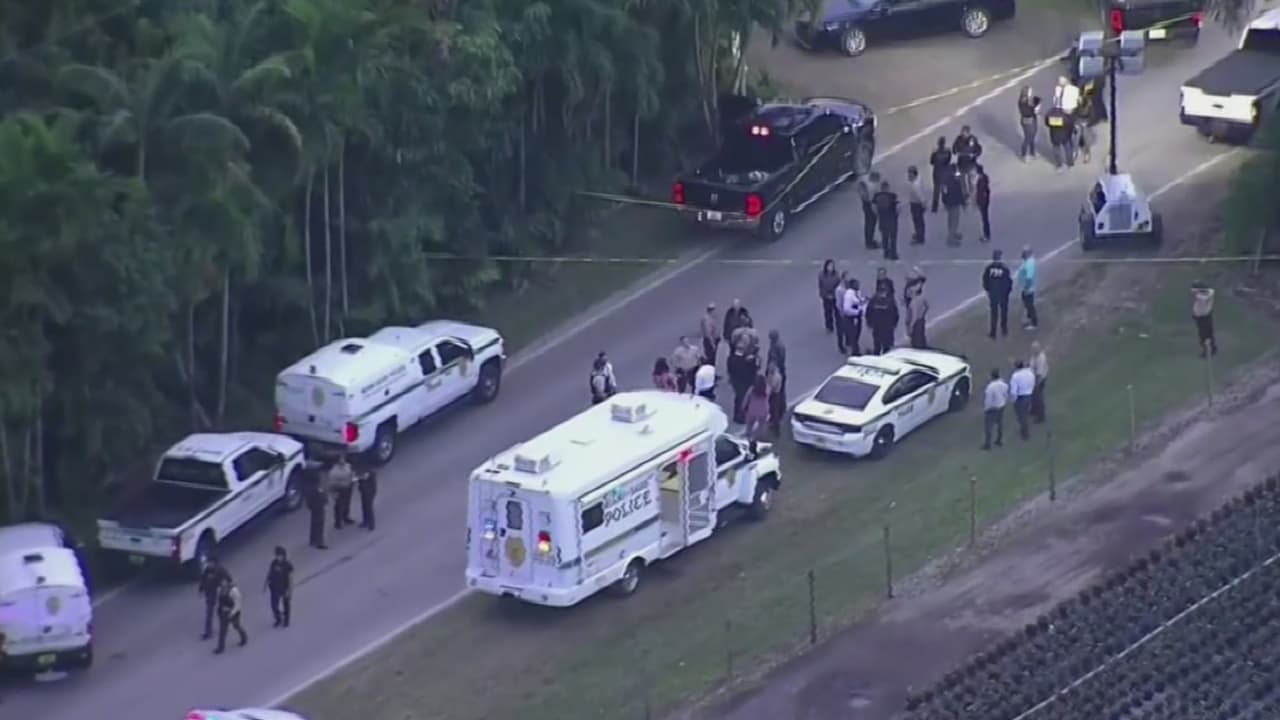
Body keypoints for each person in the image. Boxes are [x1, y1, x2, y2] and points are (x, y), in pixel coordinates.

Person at [982, 249, 1013, 339]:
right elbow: (1008, 281)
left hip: (993, 294)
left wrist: (988, 290)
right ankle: (1004, 330)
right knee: (1004, 312)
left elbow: (985, 280)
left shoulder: (989, 268)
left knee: (994, 313)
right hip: (1003, 294)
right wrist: (1008, 291)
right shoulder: (1004, 268)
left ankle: (993, 332)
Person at [213, 575, 248, 654]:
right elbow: (220, 602)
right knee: (222, 630)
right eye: (221, 582)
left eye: (224, 581)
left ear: (227, 581)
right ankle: (220, 648)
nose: (222, 583)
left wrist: (231, 613)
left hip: (234, 612)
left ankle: (244, 638)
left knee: (236, 626)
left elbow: (238, 604)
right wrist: (219, 611)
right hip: (223, 613)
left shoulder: (234, 590)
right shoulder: (219, 589)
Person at [198, 557, 230, 640]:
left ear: (214, 563)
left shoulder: (220, 570)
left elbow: (228, 579)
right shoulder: (207, 570)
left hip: (220, 593)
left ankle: (224, 627)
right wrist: (201, 590)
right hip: (210, 593)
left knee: (221, 612)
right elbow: (203, 580)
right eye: (208, 562)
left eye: (210, 563)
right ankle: (208, 632)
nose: (209, 564)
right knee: (209, 613)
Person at [726, 344, 759, 425]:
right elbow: (749, 371)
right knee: (742, 399)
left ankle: (737, 415)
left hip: (735, 381)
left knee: (738, 398)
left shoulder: (731, 358)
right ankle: (740, 416)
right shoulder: (743, 360)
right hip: (743, 382)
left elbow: (730, 369)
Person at [264, 546, 293, 628]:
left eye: (280, 555)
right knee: (274, 606)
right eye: (277, 555)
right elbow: (270, 573)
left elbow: (290, 579)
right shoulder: (274, 563)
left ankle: (286, 620)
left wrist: (289, 591)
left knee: (286, 605)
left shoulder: (287, 565)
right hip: (274, 588)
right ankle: (278, 619)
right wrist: (266, 583)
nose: (278, 557)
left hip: (284, 588)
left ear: (283, 555)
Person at [864, 287, 899, 355]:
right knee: (886, 346)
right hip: (887, 327)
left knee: (877, 344)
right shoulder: (890, 301)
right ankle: (885, 356)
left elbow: (868, 312)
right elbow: (895, 313)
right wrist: (894, 323)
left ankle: (877, 355)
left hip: (877, 326)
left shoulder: (873, 300)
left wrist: (869, 323)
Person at [981, 368, 1009, 450]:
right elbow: (1006, 395)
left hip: (992, 409)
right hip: (1001, 406)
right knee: (1000, 424)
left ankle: (987, 444)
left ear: (991, 376)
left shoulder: (990, 387)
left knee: (988, 427)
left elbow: (988, 400)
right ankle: (999, 440)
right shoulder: (1004, 384)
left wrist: (986, 408)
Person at [951, 126, 983, 199]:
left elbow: (979, 149)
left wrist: (975, 154)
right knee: (962, 181)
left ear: (968, 132)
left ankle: (973, 195)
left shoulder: (973, 139)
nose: (963, 133)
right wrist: (956, 152)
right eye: (963, 132)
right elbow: (954, 149)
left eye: (965, 132)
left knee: (971, 181)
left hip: (971, 163)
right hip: (961, 163)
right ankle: (965, 195)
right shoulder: (959, 139)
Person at [872, 180, 900, 261]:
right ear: (887, 188)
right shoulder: (893, 195)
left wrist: (878, 214)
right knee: (893, 237)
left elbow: (873, 207)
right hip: (892, 219)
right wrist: (897, 215)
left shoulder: (876, 196)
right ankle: (893, 254)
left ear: (881, 188)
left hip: (882, 219)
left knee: (884, 237)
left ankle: (886, 252)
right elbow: (898, 208)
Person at [1009, 360, 1036, 441]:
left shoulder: (1015, 376)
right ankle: (1025, 430)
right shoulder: (1030, 373)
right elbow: (1033, 383)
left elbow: (1013, 391)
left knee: (1022, 416)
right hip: (1029, 395)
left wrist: (1013, 400)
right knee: (1026, 414)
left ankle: (1025, 434)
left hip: (1020, 398)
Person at [839, 276, 866, 356]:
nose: (858, 286)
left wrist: (863, 301)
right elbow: (846, 309)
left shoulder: (857, 292)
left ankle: (853, 347)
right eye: (856, 285)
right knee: (853, 335)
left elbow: (859, 301)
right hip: (850, 318)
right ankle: (855, 352)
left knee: (857, 333)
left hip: (857, 317)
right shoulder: (848, 295)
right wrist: (857, 312)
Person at [329, 453, 355, 530]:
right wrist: (334, 493)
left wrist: (352, 479)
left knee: (347, 503)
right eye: (341, 459)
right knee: (339, 506)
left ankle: (346, 518)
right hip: (339, 489)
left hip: (348, 487)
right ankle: (337, 522)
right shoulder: (334, 471)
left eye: (343, 458)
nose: (343, 460)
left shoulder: (348, 466)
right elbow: (332, 483)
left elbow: (351, 474)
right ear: (337, 461)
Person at [305, 462, 328, 549]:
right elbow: (321, 493)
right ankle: (319, 542)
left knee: (314, 522)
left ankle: (313, 539)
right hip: (318, 504)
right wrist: (325, 500)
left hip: (313, 504)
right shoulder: (316, 485)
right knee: (319, 522)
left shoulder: (307, 484)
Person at [940, 165, 965, 246]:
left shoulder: (945, 179)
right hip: (955, 202)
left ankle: (953, 233)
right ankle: (951, 239)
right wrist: (963, 202)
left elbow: (943, 192)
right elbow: (959, 190)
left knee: (950, 219)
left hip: (948, 202)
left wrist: (944, 201)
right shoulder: (955, 179)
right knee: (954, 221)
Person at [1191, 282, 1218, 356]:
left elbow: (1204, 298)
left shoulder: (1202, 296)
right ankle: (1211, 348)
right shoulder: (1208, 292)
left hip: (1204, 317)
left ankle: (1208, 350)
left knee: (1204, 334)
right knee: (1207, 333)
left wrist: (1197, 292)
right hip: (1201, 316)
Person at [857, 171, 882, 249]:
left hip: (865, 203)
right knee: (871, 224)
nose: (879, 181)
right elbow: (872, 202)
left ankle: (869, 241)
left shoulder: (865, 180)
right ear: (874, 178)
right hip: (869, 205)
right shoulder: (873, 186)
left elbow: (859, 188)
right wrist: (877, 212)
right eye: (878, 179)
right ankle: (869, 243)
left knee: (868, 223)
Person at [1045, 105, 1074, 171]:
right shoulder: (1065, 114)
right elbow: (1070, 123)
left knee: (1056, 149)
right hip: (1065, 135)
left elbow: (1047, 123)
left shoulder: (1050, 114)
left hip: (1054, 135)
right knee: (1068, 149)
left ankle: (1059, 165)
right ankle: (1070, 164)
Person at [928, 136, 953, 213]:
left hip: (937, 172)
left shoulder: (935, 152)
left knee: (936, 190)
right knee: (944, 189)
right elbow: (948, 161)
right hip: (945, 172)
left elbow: (931, 162)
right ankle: (946, 203)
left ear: (938, 143)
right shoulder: (948, 151)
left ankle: (935, 207)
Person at [1016, 86, 1041, 161]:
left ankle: (1032, 152)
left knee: (1033, 136)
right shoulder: (1023, 101)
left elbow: (1036, 102)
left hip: (1032, 119)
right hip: (1027, 120)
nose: (1031, 93)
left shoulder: (1029, 99)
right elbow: (1027, 112)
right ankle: (1024, 154)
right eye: (1030, 91)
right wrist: (1035, 109)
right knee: (1028, 138)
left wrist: (1036, 105)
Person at [1017, 246, 1039, 330]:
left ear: (1028, 253)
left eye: (1024, 252)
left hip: (1028, 288)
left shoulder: (1030, 263)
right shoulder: (1027, 261)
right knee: (1027, 304)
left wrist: (1026, 287)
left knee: (1029, 305)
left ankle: (1034, 323)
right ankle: (1028, 319)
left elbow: (1029, 277)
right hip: (1026, 287)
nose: (1022, 254)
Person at [905, 273, 929, 349]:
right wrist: (922, 314)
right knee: (921, 340)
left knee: (916, 343)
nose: (907, 293)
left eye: (909, 291)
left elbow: (914, 317)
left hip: (916, 324)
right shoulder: (921, 298)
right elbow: (926, 307)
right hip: (921, 321)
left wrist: (910, 328)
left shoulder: (913, 303)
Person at [743, 374, 770, 439]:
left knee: (750, 424)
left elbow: (746, 398)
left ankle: (748, 435)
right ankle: (757, 437)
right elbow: (769, 398)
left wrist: (743, 406)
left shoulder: (752, 389)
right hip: (763, 410)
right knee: (761, 425)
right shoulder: (767, 389)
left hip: (752, 409)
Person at [818, 259, 841, 334]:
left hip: (835, 296)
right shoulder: (821, 275)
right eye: (829, 266)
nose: (830, 267)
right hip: (826, 296)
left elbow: (838, 286)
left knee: (837, 312)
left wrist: (834, 294)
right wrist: (824, 294)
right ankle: (829, 326)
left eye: (832, 266)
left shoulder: (836, 275)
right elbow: (821, 285)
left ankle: (839, 326)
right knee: (827, 312)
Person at [905, 166, 927, 244]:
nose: (908, 175)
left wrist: (923, 203)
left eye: (910, 174)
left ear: (914, 174)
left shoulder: (915, 185)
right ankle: (919, 234)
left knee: (917, 221)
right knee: (919, 221)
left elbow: (919, 195)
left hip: (916, 204)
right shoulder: (918, 179)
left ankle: (920, 238)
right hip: (918, 203)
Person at [1029, 341, 1049, 424]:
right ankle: (1034, 410)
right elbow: (1032, 365)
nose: (1033, 350)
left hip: (1039, 379)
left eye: (1035, 349)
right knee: (1033, 396)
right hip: (1034, 378)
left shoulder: (1041, 358)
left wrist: (1036, 384)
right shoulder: (1034, 356)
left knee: (1038, 398)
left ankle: (1041, 416)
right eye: (1032, 349)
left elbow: (1039, 374)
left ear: (1038, 348)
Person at [766, 361, 786, 437]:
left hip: (775, 394)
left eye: (770, 367)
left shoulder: (776, 376)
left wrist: (768, 385)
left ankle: (776, 429)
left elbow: (773, 386)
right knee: (772, 410)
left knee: (775, 411)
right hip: (773, 394)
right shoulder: (772, 374)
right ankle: (772, 423)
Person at [974, 165, 992, 243]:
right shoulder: (983, 178)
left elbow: (982, 192)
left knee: (985, 219)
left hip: (983, 202)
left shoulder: (982, 180)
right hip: (983, 202)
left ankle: (987, 235)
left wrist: (981, 202)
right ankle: (986, 234)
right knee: (984, 219)